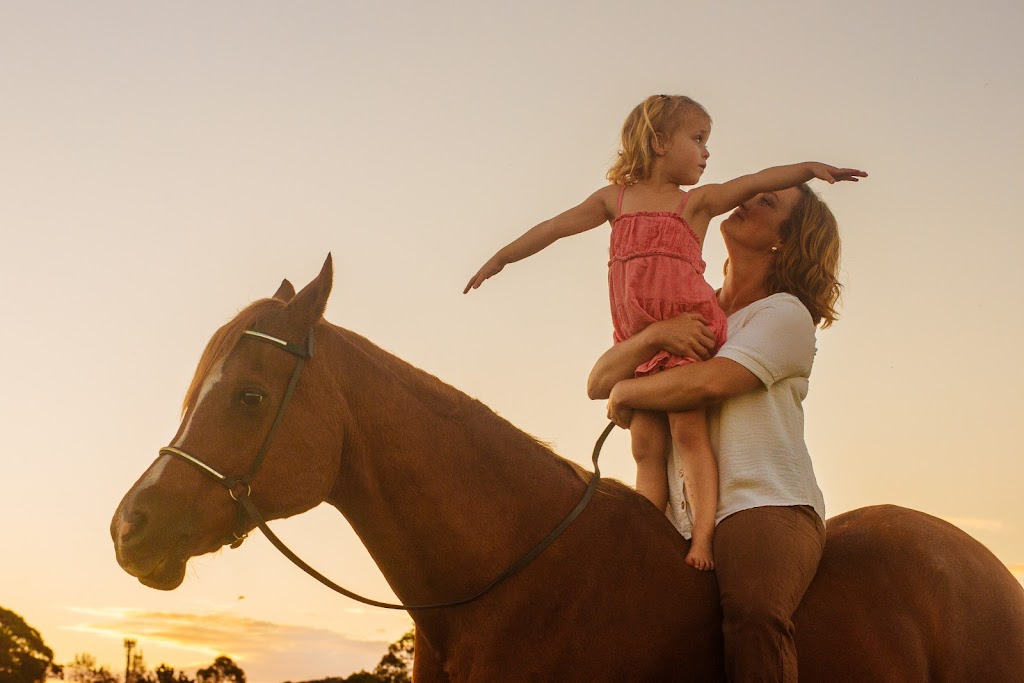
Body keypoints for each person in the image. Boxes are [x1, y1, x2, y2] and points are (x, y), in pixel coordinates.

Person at [464, 93, 864, 570]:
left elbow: (754, 180)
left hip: (688, 332)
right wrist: (501, 257)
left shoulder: (697, 205)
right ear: (658, 142)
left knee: (688, 431)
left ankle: (703, 538)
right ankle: (647, 534)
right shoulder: (612, 200)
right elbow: (555, 227)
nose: (707, 152)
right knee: (645, 446)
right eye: (697, 140)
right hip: (639, 335)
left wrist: (809, 168)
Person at [588, 179, 861, 681]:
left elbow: (712, 382)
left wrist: (630, 392)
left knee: (755, 611)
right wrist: (650, 336)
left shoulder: (784, 315)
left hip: (763, 504)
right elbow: (598, 381)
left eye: (766, 201)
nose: (745, 201)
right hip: (676, 518)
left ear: (784, 239)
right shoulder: (692, 310)